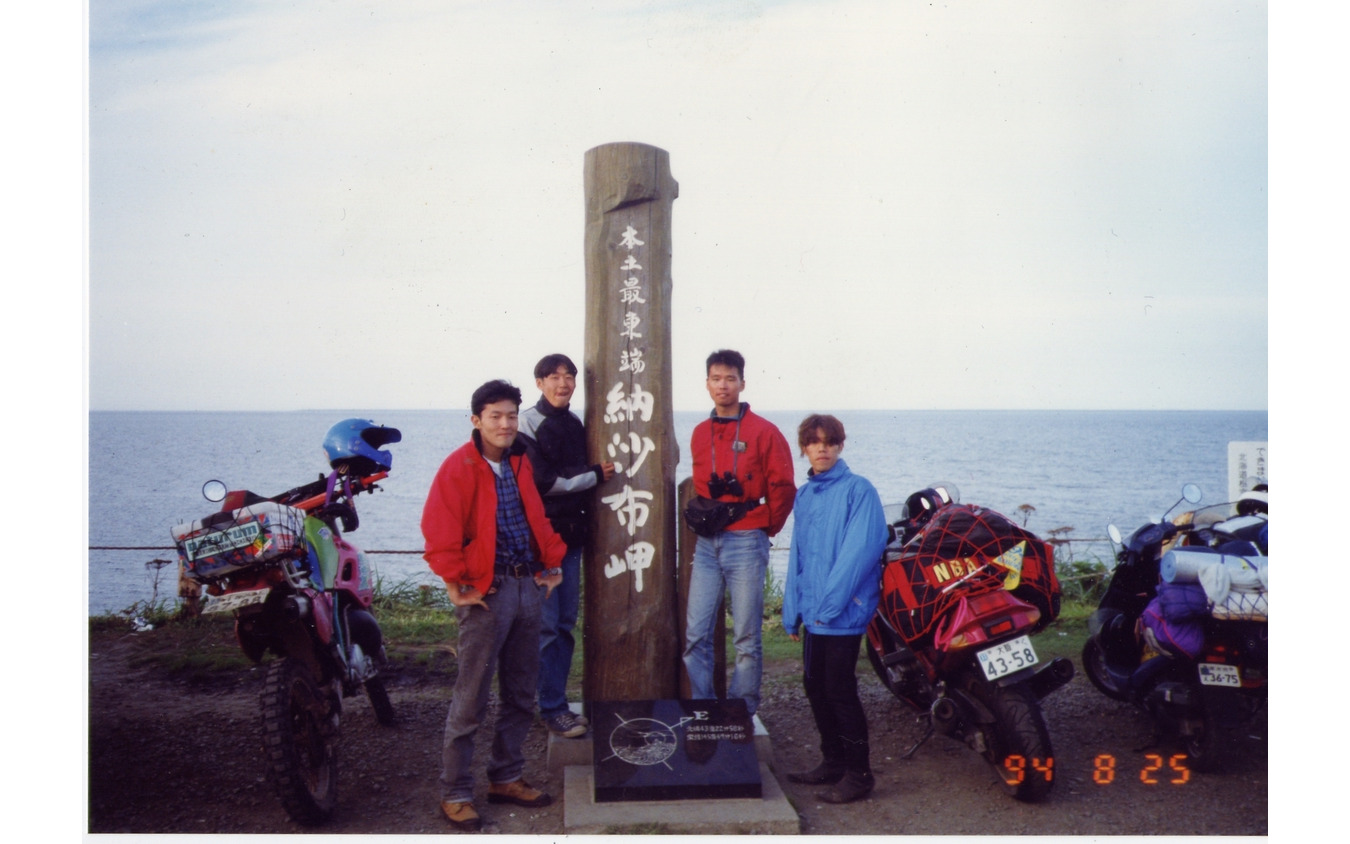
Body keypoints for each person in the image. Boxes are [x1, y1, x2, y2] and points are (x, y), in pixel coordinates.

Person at [421, 379, 568, 831]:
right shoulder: (459, 466)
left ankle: (505, 777)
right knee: (471, 698)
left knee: (522, 693)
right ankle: (456, 792)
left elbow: (536, 518)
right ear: (476, 420)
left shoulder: (520, 460)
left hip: (528, 588)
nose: (504, 424)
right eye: (494, 416)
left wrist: (553, 561)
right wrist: (453, 583)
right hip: (487, 595)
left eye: (510, 415)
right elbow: (439, 529)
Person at [781, 413, 888, 804]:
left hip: (841, 614)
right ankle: (833, 763)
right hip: (814, 615)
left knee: (839, 690)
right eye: (814, 442)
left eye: (829, 441)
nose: (821, 448)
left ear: (840, 446)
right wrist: (793, 609)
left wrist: (829, 606)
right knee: (815, 687)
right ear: (804, 448)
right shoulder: (805, 495)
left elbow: (860, 552)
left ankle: (859, 775)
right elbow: (799, 556)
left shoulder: (859, 489)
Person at [683, 349, 796, 716]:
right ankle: (703, 709)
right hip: (707, 545)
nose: (723, 385)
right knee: (696, 634)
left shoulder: (765, 432)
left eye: (730, 378)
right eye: (716, 378)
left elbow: (783, 486)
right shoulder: (700, 432)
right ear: (707, 384)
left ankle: (741, 712)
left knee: (747, 637)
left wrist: (767, 527)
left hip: (747, 540)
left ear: (742, 383)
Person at [517, 353, 615, 739]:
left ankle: (553, 703)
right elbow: (543, 482)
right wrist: (593, 475)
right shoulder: (527, 422)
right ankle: (552, 709)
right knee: (546, 628)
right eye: (554, 376)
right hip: (541, 542)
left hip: (571, 541)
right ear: (539, 382)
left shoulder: (575, 423)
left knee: (563, 624)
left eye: (569, 376)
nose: (563, 383)